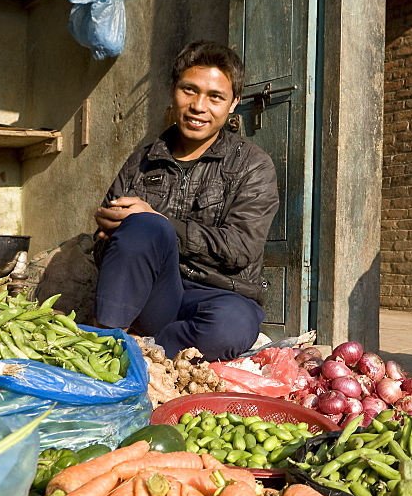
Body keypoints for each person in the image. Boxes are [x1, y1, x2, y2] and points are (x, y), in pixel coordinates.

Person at [93, 41, 279, 361]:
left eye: (215, 97)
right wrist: (110, 236)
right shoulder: (142, 161)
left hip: (221, 295)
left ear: (233, 103)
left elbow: (240, 249)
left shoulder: (252, 164)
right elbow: (111, 255)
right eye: (189, 90)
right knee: (144, 226)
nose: (198, 106)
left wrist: (164, 223)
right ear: (173, 90)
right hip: (155, 295)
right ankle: (105, 342)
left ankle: (141, 350)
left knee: (230, 327)